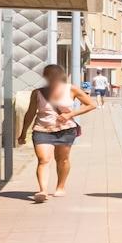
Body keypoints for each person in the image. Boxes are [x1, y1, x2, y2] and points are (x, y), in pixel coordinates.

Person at [17, 64, 98, 203]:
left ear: (61, 76)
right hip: (42, 129)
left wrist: (70, 114)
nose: (52, 77)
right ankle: (43, 190)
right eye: (49, 75)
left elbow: (91, 104)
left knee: (62, 159)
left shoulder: (71, 89)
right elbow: (30, 113)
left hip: (65, 130)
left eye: (55, 75)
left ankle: (60, 186)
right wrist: (23, 132)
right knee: (43, 159)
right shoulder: (38, 93)